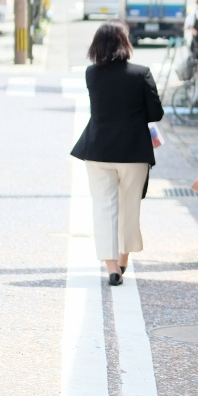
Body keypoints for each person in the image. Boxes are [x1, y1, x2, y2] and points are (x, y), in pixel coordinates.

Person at [71, 20, 165, 286]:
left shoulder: (92, 74)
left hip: (98, 151)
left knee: (104, 208)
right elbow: (155, 113)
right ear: (125, 42)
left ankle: (111, 267)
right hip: (133, 152)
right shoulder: (141, 73)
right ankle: (123, 260)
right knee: (129, 208)